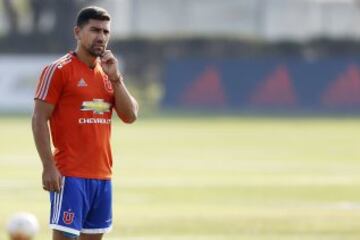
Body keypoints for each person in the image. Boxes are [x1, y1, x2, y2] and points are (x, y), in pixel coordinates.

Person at [31, 6, 138, 240]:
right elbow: (39, 118)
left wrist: (116, 78)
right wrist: (48, 166)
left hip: (102, 176)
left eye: (105, 32)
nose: (101, 37)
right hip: (69, 175)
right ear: (78, 32)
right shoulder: (58, 70)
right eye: (94, 30)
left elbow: (130, 116)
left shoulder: (109, 74)